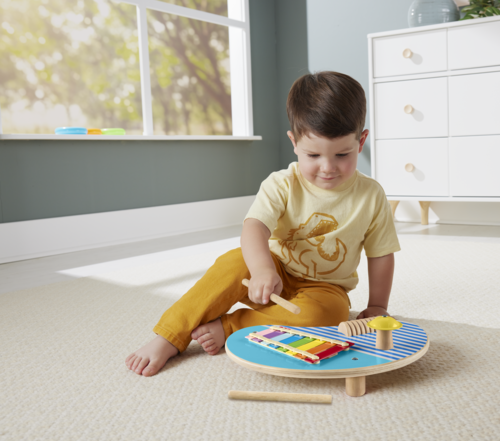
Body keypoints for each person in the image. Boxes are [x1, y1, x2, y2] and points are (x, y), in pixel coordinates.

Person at [125, 71, 400, 377]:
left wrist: (377, 305)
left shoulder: (371, 195)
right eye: (313, 155)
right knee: (230, 265)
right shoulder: (282, 184)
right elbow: (254, 228)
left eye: (342, 154)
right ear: (294, 142)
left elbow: (381, 254)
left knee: (330, 316)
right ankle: (169, 335)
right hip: (271, 271)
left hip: (325, 287)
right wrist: (262, 269)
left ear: (361, 141)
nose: (328, 168)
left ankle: (231, 326)